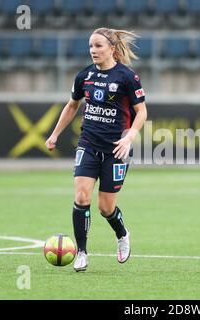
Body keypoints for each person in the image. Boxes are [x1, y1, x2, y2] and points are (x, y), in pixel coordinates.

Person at [45, 28, 147, 271]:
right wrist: (54, 134)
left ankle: (122, 234)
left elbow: (141, 111)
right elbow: (72, 106)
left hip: (116, 149)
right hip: (88, 144)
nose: (93, 50)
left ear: (112, 48)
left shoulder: (127, 77)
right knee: (81, 196)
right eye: (91, 46)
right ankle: (81, 252)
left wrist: (130, 136)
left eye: (99, 46)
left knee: (105, 208)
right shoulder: (84, 76)